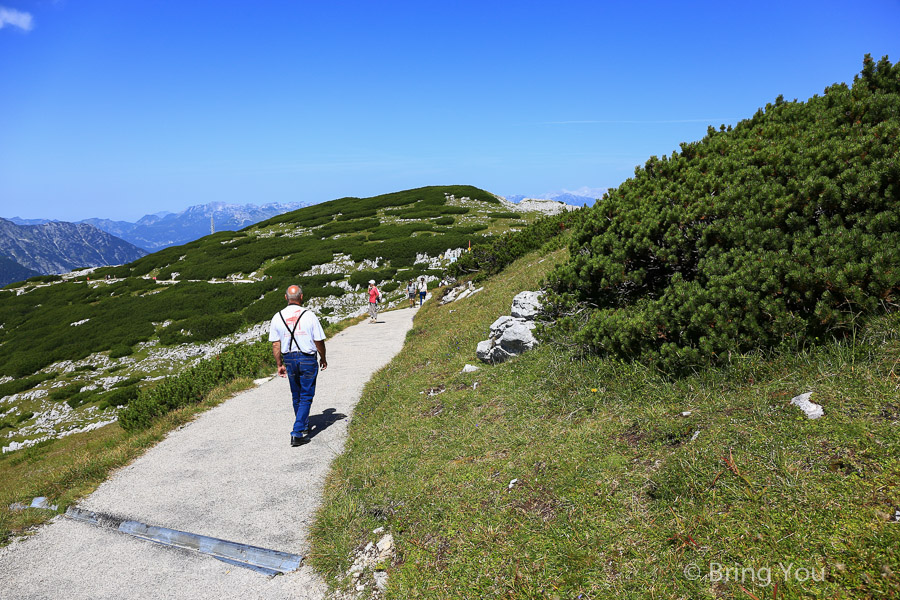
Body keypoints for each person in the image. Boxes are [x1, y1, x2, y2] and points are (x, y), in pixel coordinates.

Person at [270, 285, 327, 447]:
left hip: (289, 358)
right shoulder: (309, 315)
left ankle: (304, 425)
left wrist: (279, 363)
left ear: (285, 297)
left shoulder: (277, 316)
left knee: (296, 395)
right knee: (306, 395)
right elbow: (319, 341)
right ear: (301, 297)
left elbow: (276, 344)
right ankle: (297, 432)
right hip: (307, 358)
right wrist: (323, 358)